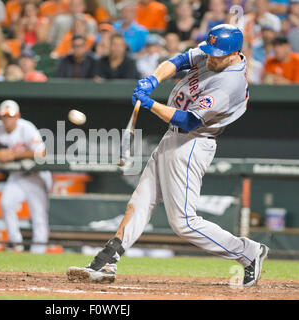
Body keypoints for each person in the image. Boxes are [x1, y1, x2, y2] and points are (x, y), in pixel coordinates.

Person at [68, 24, 269, 288]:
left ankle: (248, 251)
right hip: (173, 138)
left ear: (234, 54)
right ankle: (107, 260)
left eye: (217, 54)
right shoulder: (213, 54)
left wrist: (150, 104)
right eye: (210, 51)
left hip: (193, 142)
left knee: (183, 222)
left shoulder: (230, 82)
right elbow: (179, 60)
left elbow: (189, 121)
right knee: (140, 201)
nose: (210, 57)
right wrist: (153, 79)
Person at [0, 100, 52, 254]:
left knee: (39, 216)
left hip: (35, 176)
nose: (7, 119)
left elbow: (41, 152)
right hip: (17, 176)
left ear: (17, 116)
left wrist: (13, 155)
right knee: (6, 204)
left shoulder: (26, 127)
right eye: (4, 116)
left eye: (10, 116)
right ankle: (16, 245)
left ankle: (38, 253)